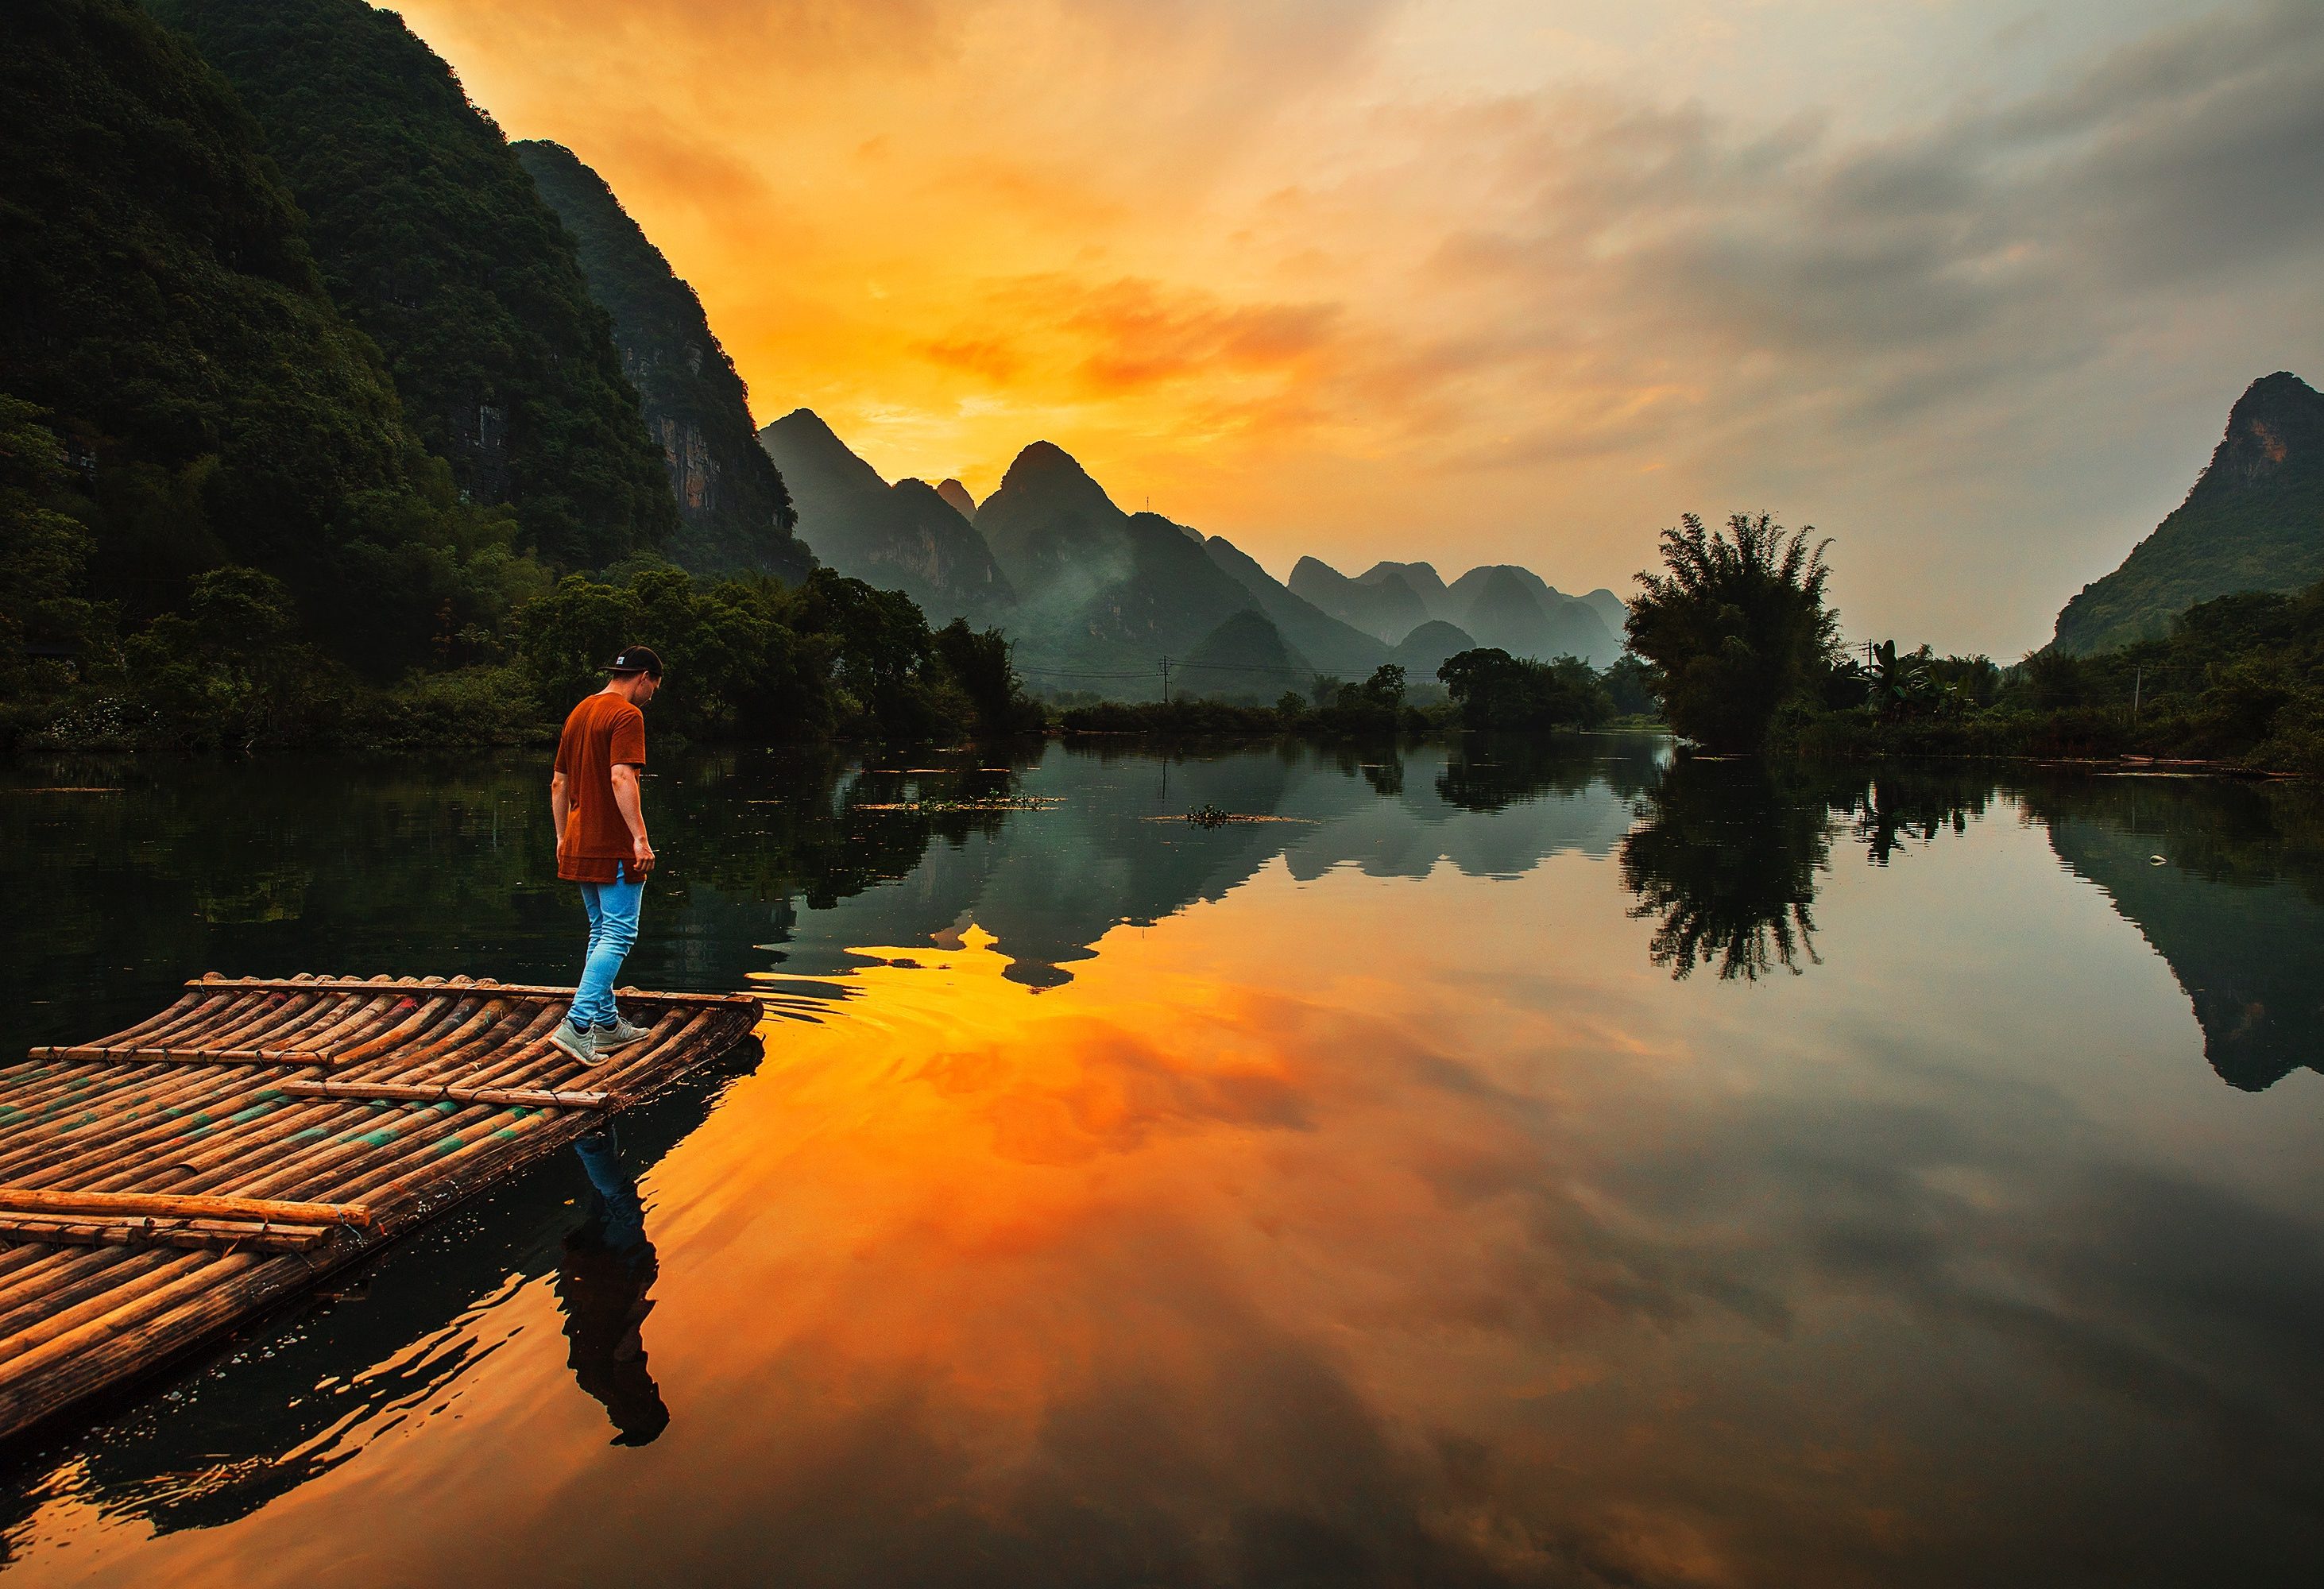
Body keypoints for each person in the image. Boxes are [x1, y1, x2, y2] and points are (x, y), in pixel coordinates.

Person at [548, 645, 663, 1064]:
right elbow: (621, 777)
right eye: (655, 687)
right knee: (619, 934)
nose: (652, 695)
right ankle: (578, 1026)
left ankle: (608, 1025)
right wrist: (640, 839)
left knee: (601, 931)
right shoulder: (627, 716)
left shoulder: (579, 712)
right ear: (645, 677)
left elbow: (558, 783)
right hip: (613, 844)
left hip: (579, 840)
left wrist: (563, 838)